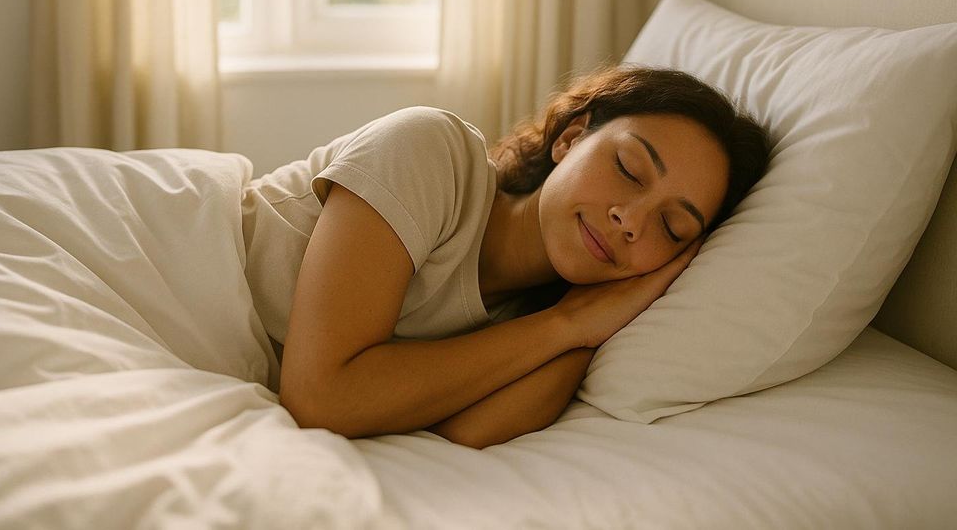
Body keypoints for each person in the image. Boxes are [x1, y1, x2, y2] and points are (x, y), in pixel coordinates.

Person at [240, 63, 770, 449]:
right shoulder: (431, 151)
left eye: (671, 227)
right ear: (571, 138)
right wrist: (569, 321)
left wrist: (581, 327)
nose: (630, 221)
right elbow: (321, 398)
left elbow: (466, 433)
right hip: (172, 253)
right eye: (629, 170)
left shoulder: (539, 324)